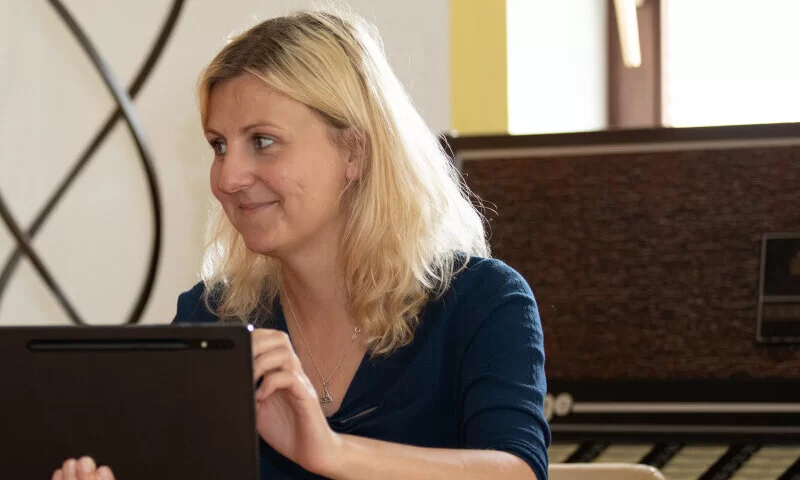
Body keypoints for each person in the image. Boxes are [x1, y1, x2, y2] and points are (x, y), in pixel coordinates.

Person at [174, 9, 550, 480]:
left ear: (354, 151)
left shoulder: (481, 302)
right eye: (219, 145)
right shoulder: (208, 319)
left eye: (263, 141)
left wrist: (329, 451)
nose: (228, 178)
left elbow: (517, 473)